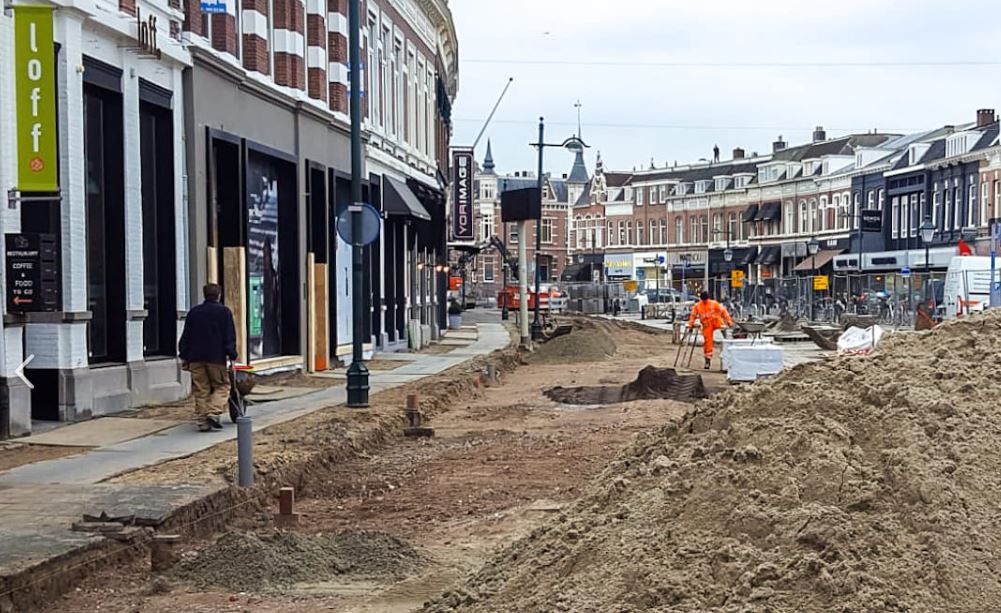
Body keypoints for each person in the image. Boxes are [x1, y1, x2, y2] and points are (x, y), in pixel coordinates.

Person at [179, 283, 238, 431]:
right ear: (219, 295)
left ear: (204, 295)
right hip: (216, 358)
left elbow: (186, 336)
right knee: (223, 386)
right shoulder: (224, 312)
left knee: (201, 389)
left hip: (195, 358)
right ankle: (213, 411)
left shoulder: (194, 312)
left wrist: (184, 354)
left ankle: (202, 422)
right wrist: (231, 354)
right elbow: (229, 336)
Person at [687, 290, 734, 370]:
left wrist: (729, 321)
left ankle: (728, 354)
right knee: (708, 342)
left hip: (717, 322)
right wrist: (690, 325)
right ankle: (707, 360)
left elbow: (723, 311)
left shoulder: (713, 303)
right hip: (707, 325)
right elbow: (693, 316)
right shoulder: (698, 306)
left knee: (726, 339)